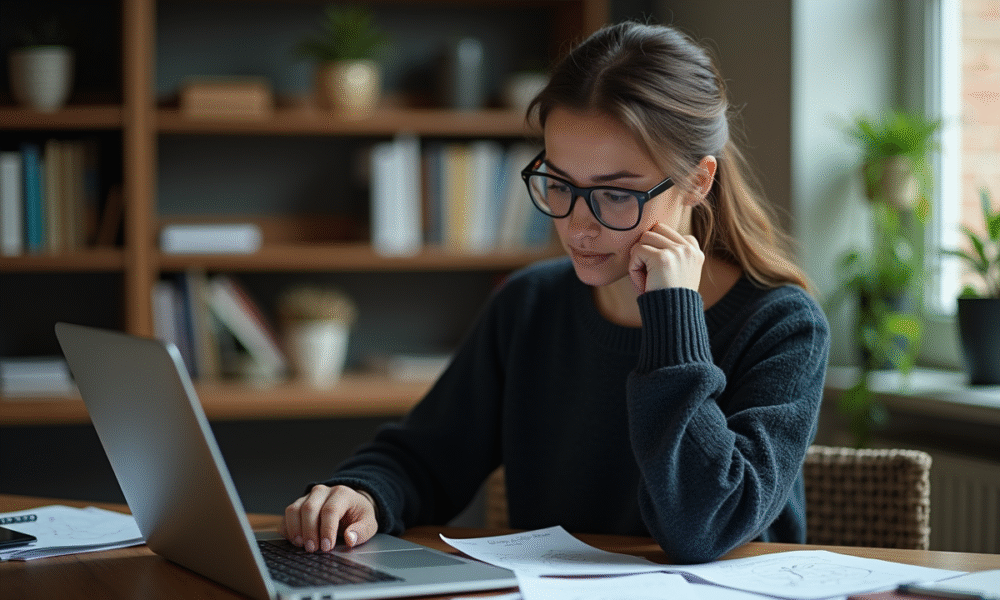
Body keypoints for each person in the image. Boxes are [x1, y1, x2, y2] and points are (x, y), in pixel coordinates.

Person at [280, 21, 830, 564]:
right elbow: (426, 457)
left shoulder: (783, 325)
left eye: (616, 194)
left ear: (698, 180)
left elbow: (701, 526)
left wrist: (672, 318)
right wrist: (364, 493)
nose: (578, 226)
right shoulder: (531, 304)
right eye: (560, 184)